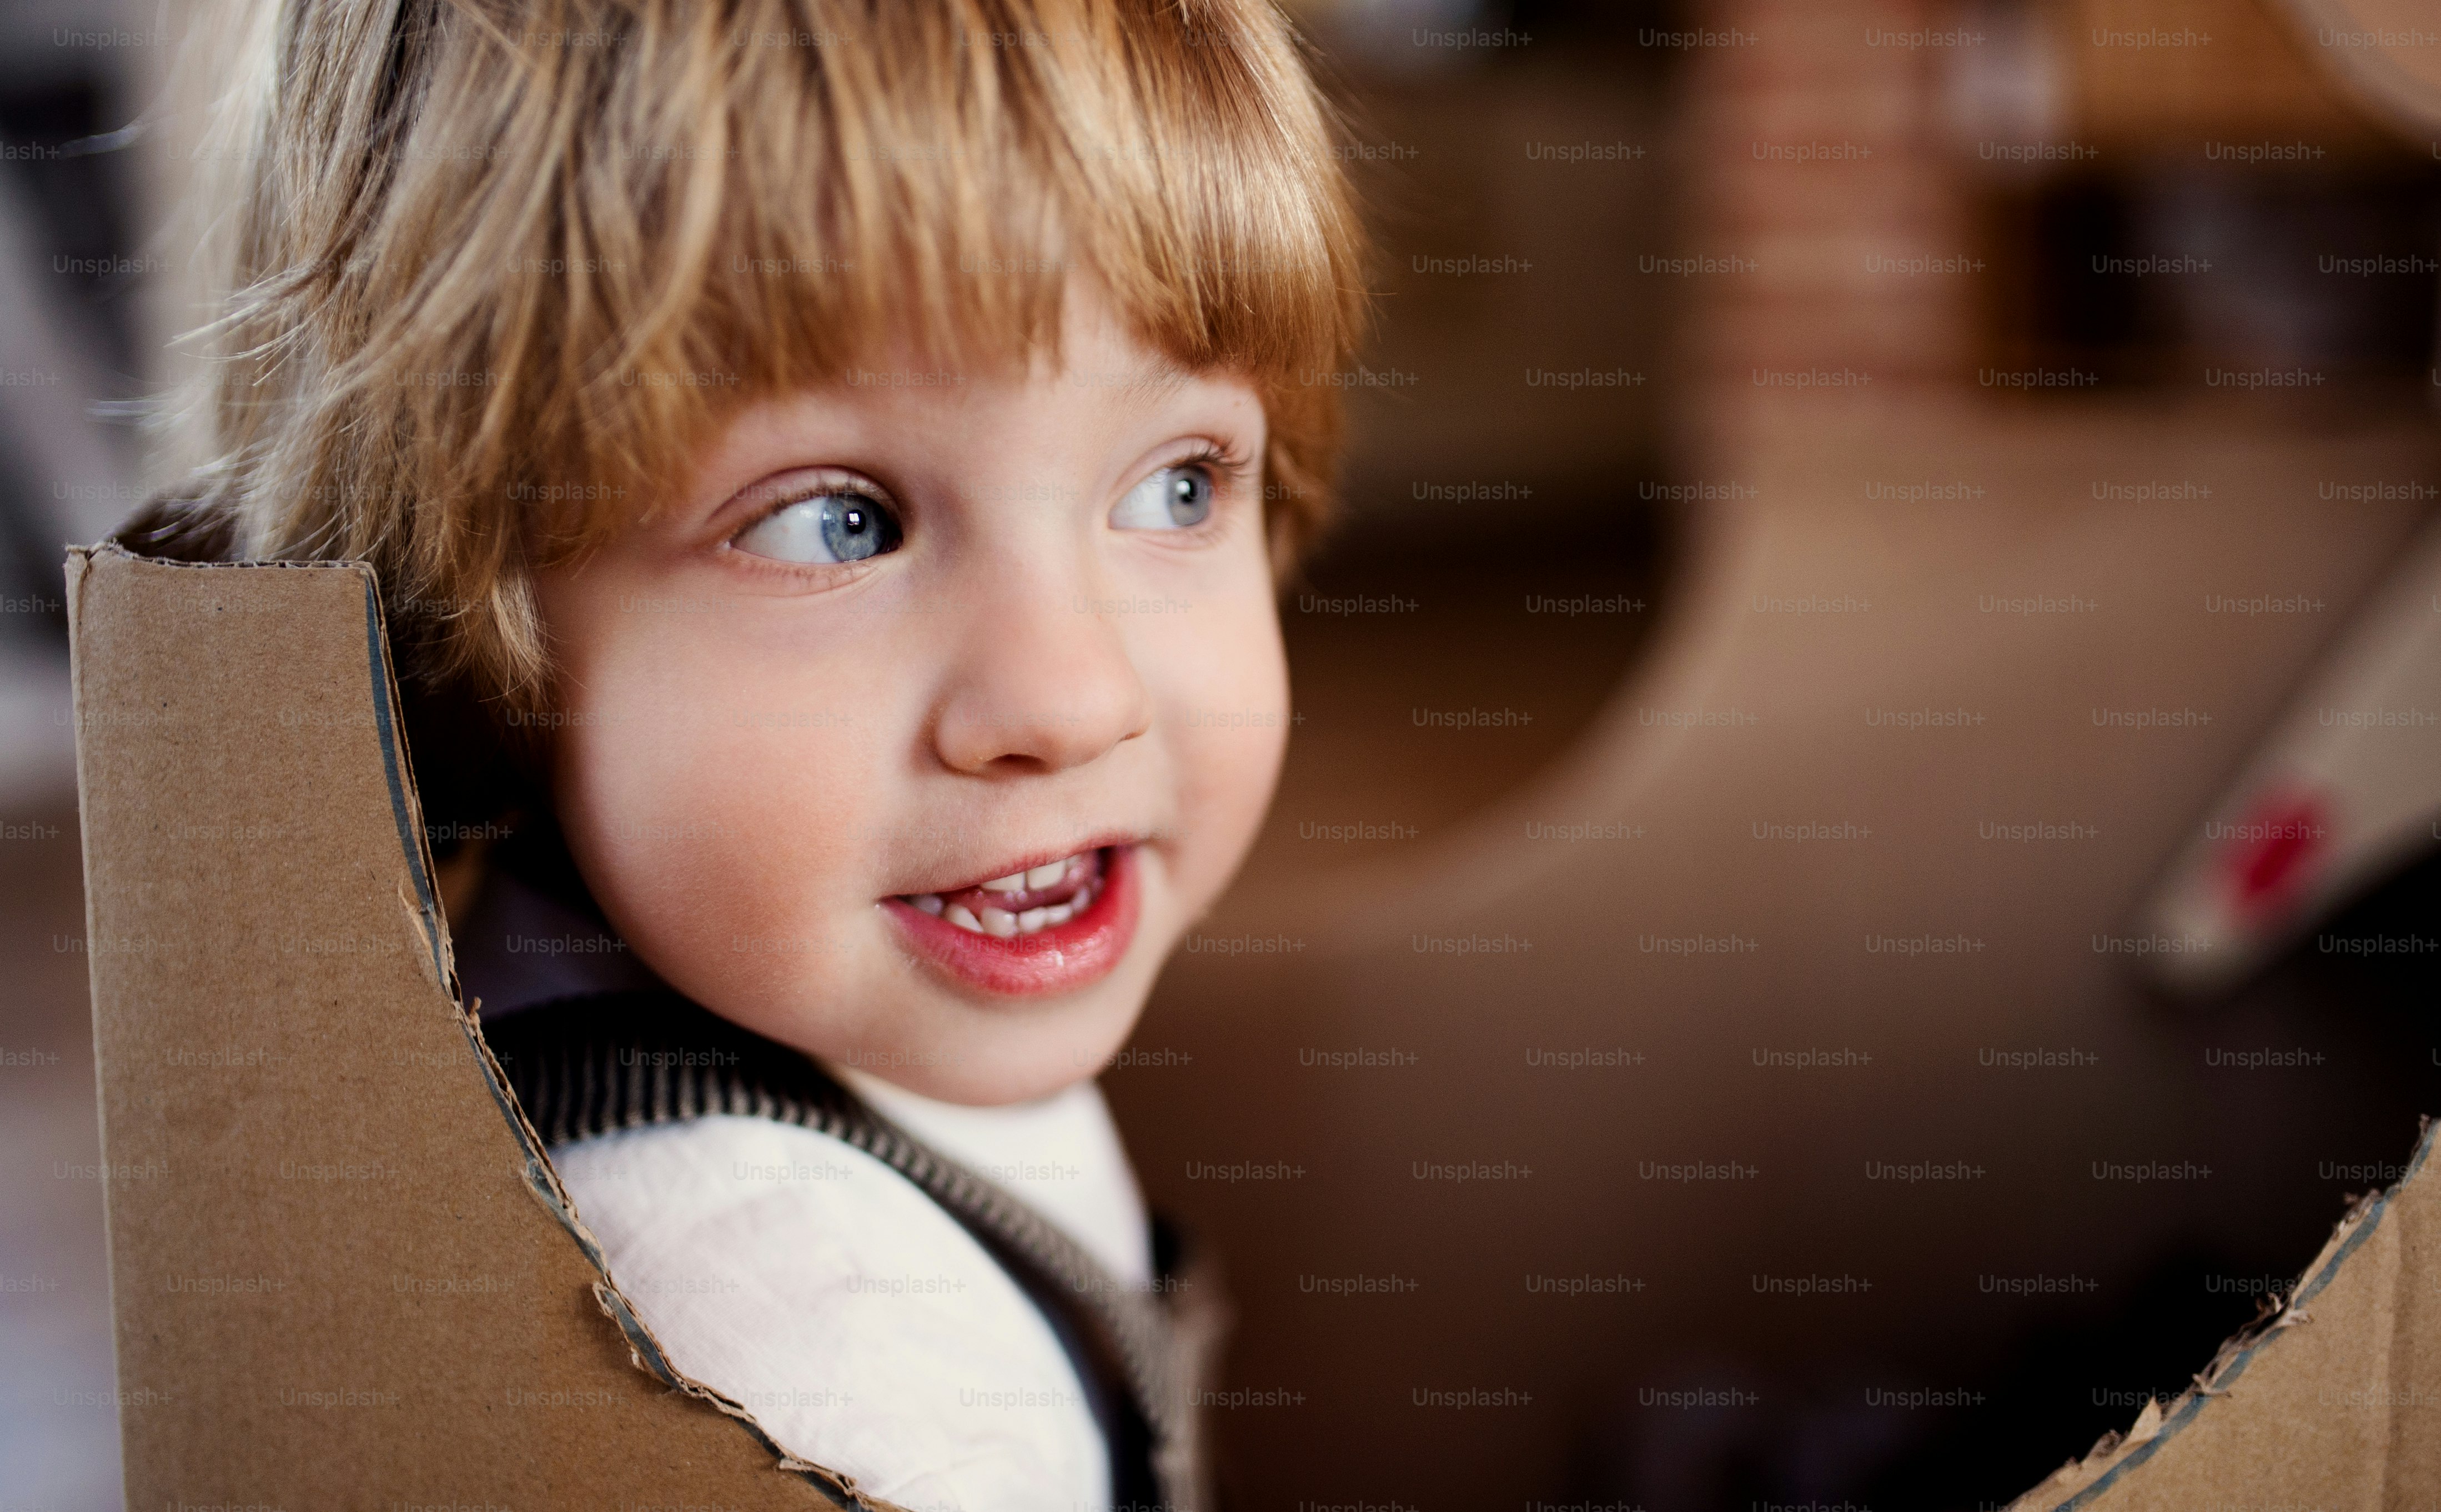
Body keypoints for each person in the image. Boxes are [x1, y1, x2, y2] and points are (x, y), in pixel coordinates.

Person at [135, 2, 1368, 1506]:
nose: (1070, 698)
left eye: (1177, 484)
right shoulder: (815, 1346)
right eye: (835, 523)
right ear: (473, 609)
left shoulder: (782, 977)